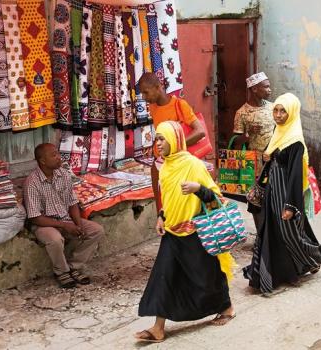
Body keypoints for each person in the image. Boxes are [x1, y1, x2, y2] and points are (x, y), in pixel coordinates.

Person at [134, 121, 235, 343]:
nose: (158, 143)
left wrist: (198, 189)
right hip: (172, 230)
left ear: (175, 139)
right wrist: (161, 215)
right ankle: (158, 327)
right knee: (164, 275)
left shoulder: (193, 165)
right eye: (156, 139)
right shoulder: (165, 166)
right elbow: (168, 197)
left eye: (162, 138)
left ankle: (226, 307)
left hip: (195, 230)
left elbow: (217, 199)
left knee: (206, 275)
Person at [242, 93, 321, 294]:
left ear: (292, 113)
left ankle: (314, 257)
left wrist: (290, 205)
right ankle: (274, 275)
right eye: (276, 110)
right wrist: (267, 157)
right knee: (272, 233)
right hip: (273, 190)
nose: (278, 115)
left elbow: (295, 176)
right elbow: (274, 159)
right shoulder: (277, 131)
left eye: (283, 111)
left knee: (291, 235)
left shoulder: (295, 140)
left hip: (286, 194)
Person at [24, 143, 105, 289]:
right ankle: (62, 271)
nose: (59, 158)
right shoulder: (32, 182)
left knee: (96, 230)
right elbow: (35, 217)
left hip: (64, 218)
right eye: (54, 155)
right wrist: (65, 226)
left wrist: (78, 224)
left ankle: (74, 266)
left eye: (58, 154)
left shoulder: (64, 174)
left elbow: (72, 203)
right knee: (55, 239)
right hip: (44, 223)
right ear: (42, 161)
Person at [138, 73, 205, 213]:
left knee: (180, 206)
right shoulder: (153, 107)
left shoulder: (179, 105)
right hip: (160, 162)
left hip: (177, 163)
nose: (144, 98)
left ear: (158, 87)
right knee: (162, 203)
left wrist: (174, 147)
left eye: (146, 92)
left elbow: (200, 131)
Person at [233, 72, 275, 232]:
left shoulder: (273, 108)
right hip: (255, 165)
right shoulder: (242, 113)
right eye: (266, 87)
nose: (269, 89)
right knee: (256, 201)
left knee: (274, 197)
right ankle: (260, 236)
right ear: (255, 89)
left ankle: (272, 235)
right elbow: (235, 143)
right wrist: (248, 133)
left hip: (273, 161)